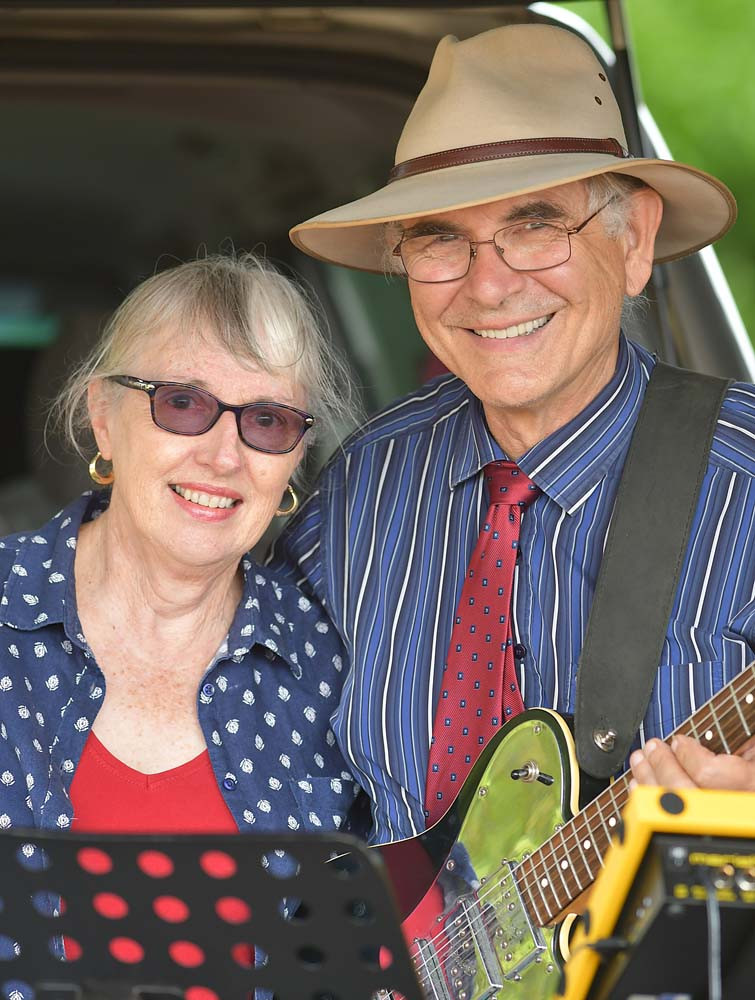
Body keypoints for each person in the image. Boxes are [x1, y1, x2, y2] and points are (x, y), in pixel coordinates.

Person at [270, 23, 755, 849]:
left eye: (536, 225)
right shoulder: (361, 484)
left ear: (632, 240)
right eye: (439, 239)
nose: (489, 285)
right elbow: (269, 766)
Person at [0, 252, 361, 840]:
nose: (223, 456)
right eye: (183, 403)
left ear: (296, 457)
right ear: (104, 418)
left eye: (268, 421)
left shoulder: (330, 666)